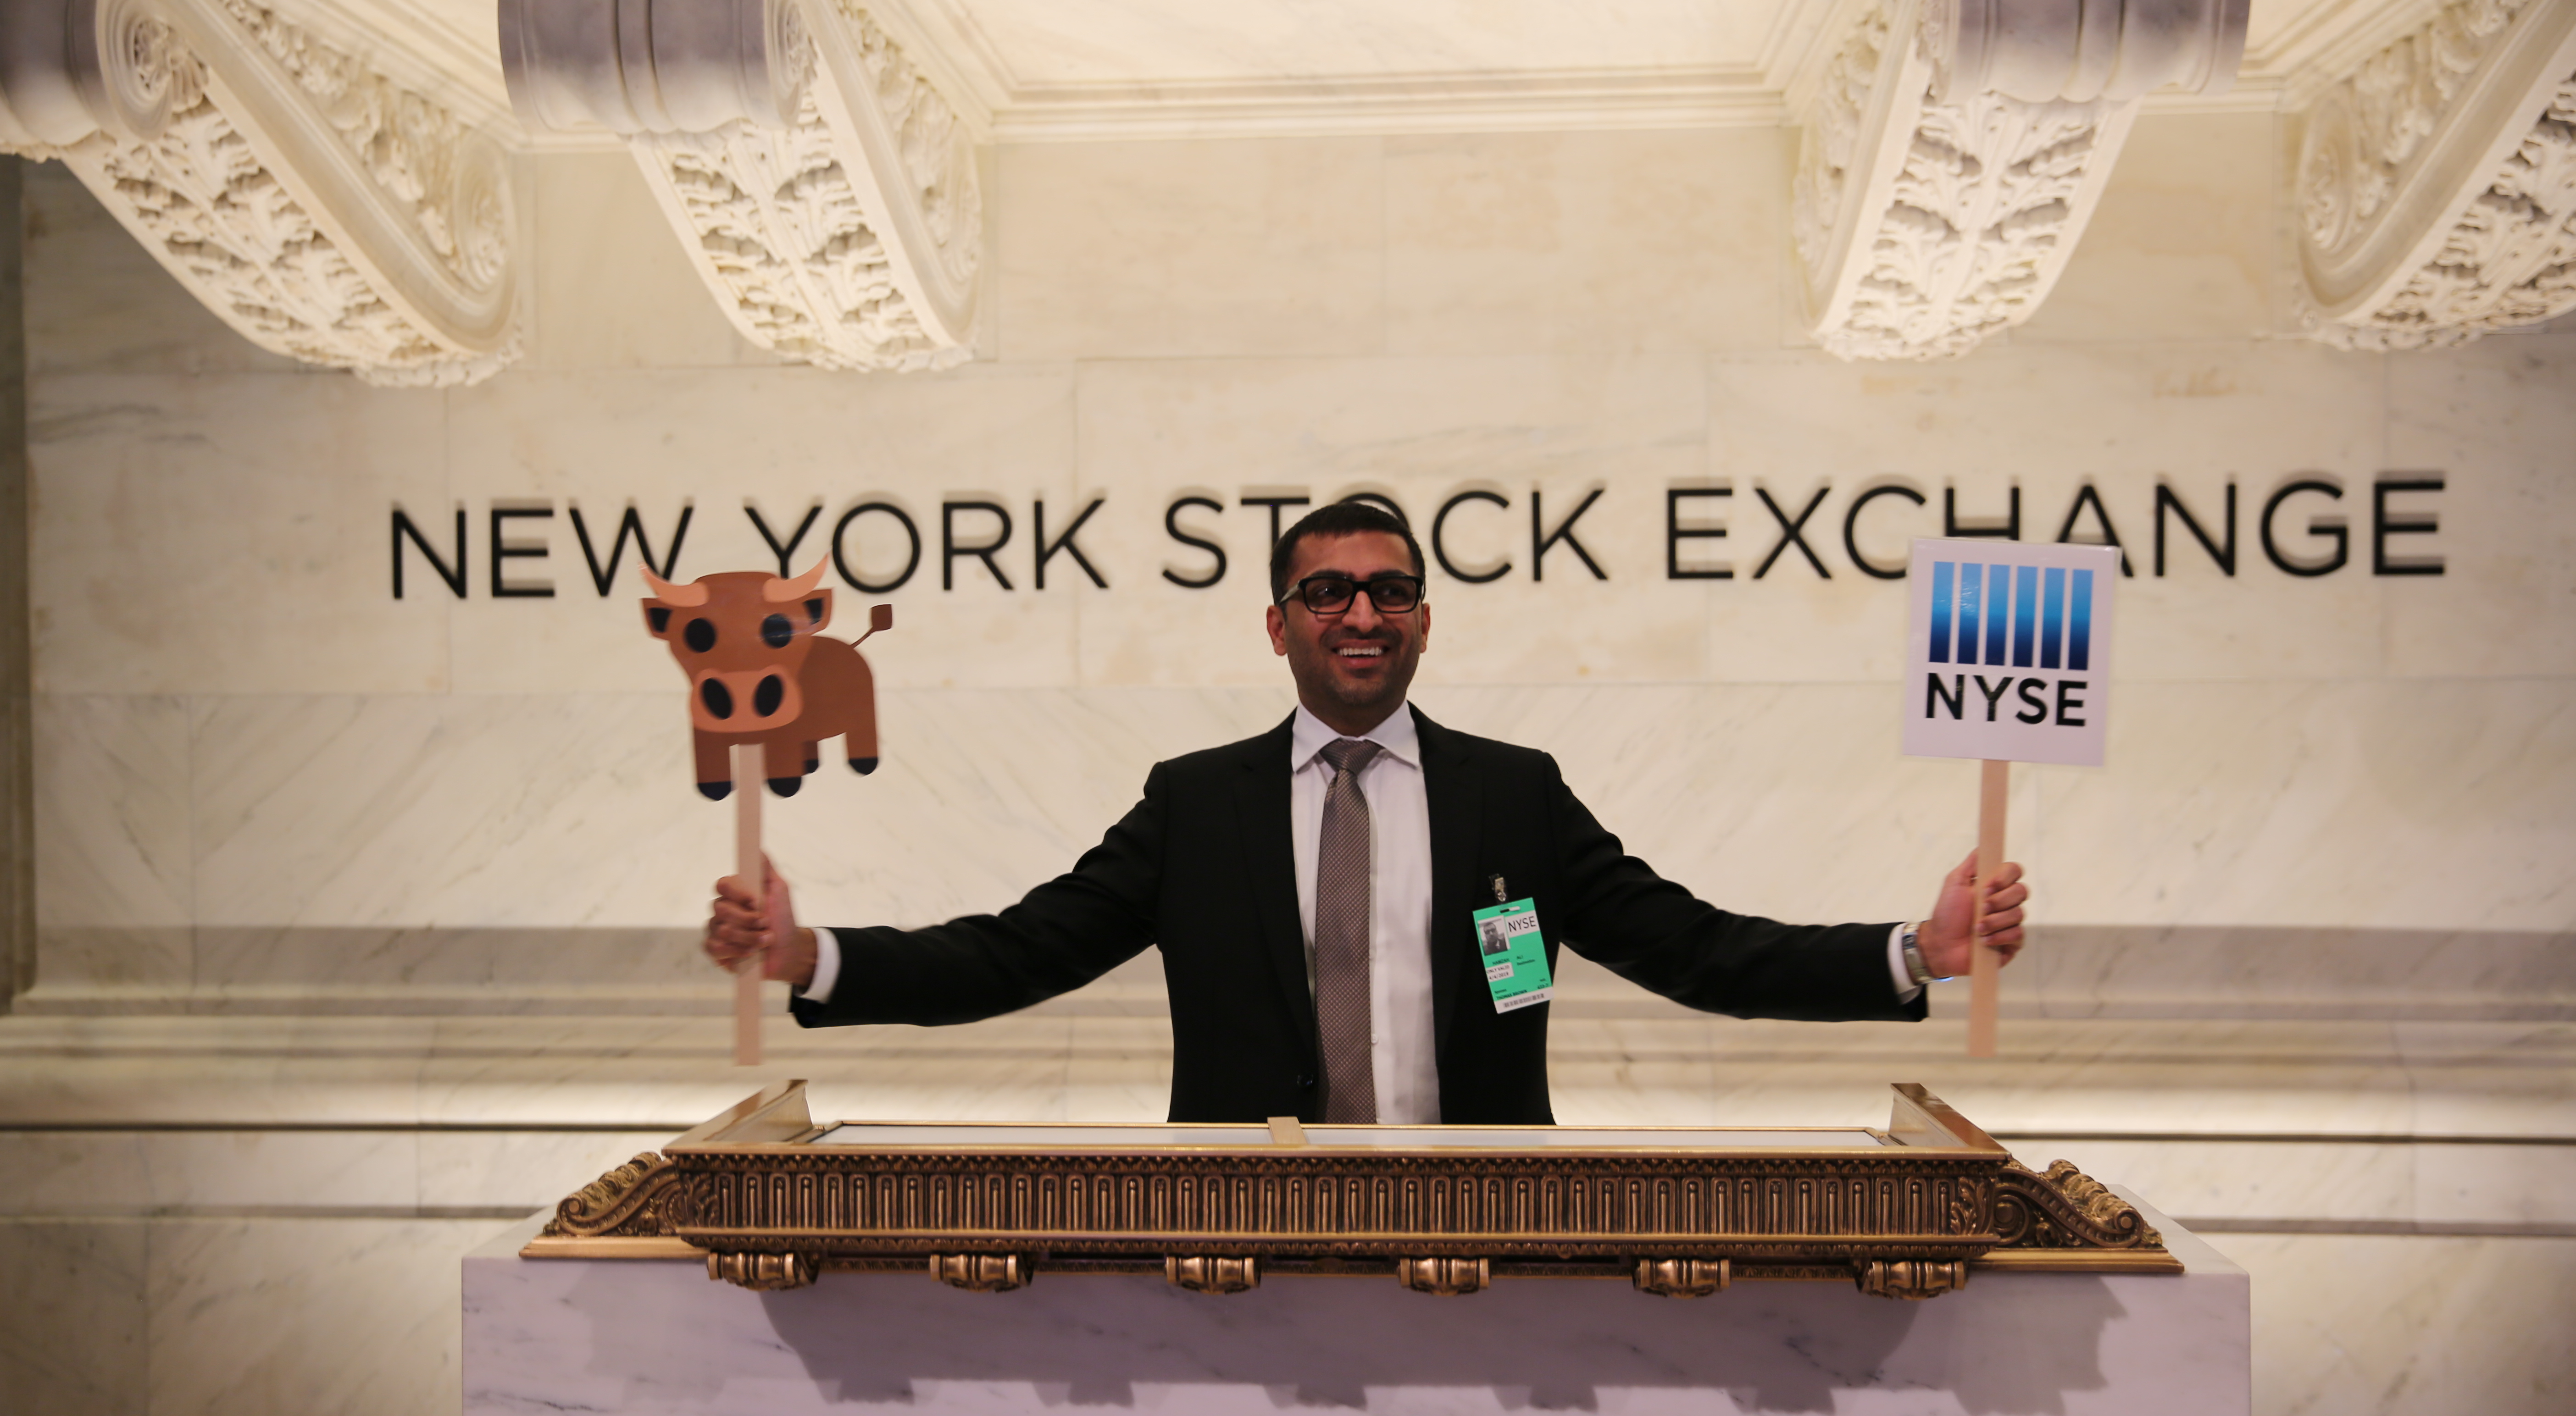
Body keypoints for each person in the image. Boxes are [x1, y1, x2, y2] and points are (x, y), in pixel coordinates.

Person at [705, 500, 2026, 1124]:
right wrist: (812, 958)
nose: (1360, 613)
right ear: (1276, 624)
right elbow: (1016, 954)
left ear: (1424, 624)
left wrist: (1919, 952)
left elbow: (1700, 951)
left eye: (1390, 592)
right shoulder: (1194, 805)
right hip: (1242, 1244)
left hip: (1483, 1235)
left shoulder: (1513, 794)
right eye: (1327, 592)